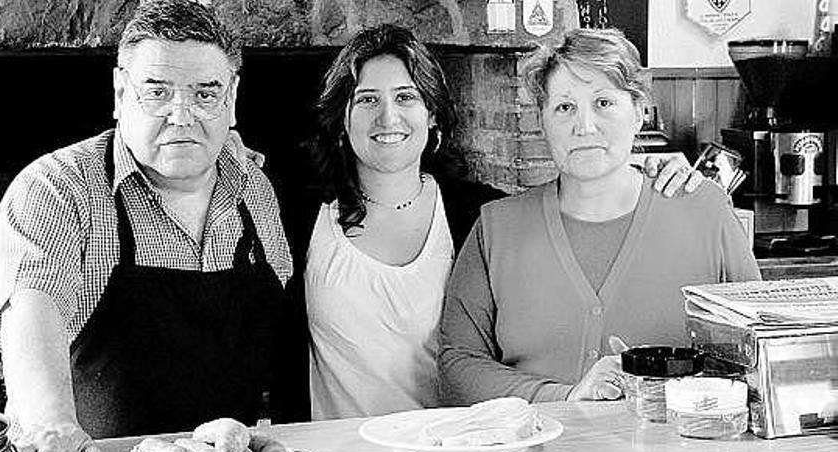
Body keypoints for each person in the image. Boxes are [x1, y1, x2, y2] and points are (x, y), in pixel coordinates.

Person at [298, 24, 704, 420]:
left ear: (433, 115)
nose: (388, 116)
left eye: (406, 97)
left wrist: (646, 174)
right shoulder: (296, 212)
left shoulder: (483, 216)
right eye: (367, 99)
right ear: (342, 118)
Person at [0, 0, 303, 452]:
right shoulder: (59, 187)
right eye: (157, 91)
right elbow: (31, 311)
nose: (182, 115)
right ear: (119, 92)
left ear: (232, 98)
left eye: (205, 93)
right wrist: (50, 422)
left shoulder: (254, 190)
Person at [437, 28, 761, 406]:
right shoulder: (496, 229)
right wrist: (565, 396)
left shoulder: (704, 211)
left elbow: (757, 347)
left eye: (604, 103)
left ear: (639, 112)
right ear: (542, 121)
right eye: (564, 107)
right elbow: (458, 365)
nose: (584, 126)